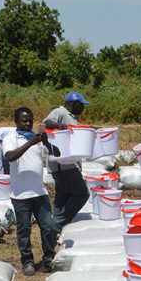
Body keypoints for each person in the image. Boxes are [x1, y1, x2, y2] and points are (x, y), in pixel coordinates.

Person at [5, 107, 61, 276]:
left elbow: (57, 153)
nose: (28, 123)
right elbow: (10, 156)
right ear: (16, 122)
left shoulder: (39, 140)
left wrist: (46, 142)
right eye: (24, 120)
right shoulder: (10, 138)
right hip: (20, 194)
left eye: (30, 120)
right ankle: (27, 261)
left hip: (40, 192)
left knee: (48, 227)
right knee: (24, 230)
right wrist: (30, 143)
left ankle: (48, 260)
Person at [43, 92, 92, 233]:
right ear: (73, 102)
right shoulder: (60, 112)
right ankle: (55, 227)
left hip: (66, 165)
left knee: (61, 199)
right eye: (81, 104)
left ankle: (54, 229)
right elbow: (46, 123)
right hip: (64, 165)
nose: (83, 108)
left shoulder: (71, 117)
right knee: (82, 194)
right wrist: (64, 127)